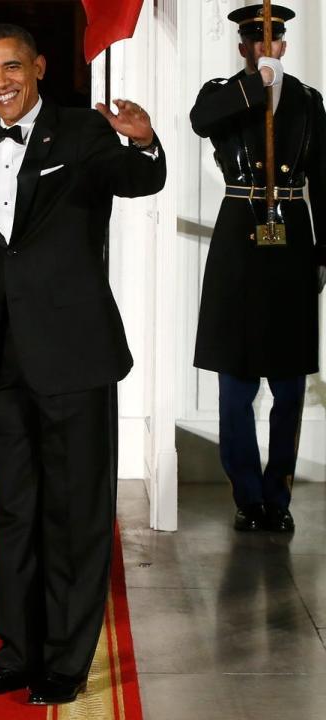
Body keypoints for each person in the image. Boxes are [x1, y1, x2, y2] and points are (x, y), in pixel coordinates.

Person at [0, 24, 165, 705]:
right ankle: (16, 656)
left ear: (39, 67)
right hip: (7, 363)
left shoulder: (79, 133)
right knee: (14, 515)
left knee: (74, 517)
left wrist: (142, 137)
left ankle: (66, 664)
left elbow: (139, 179)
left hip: (75, 355)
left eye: (10, 66)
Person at [190, 4, 325, 534]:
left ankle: (278, 493)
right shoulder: (222, 93)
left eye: (272, 41)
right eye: (253, 41)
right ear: (242, 46)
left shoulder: (309, 102)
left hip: (291, 234)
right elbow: (202, 121)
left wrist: (323, 250)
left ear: (284, 45)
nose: (264, 48)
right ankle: (247, 496)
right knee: (237, 379)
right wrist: (254, 86)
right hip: (239, 238)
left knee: (290, 382)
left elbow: (325, 178)